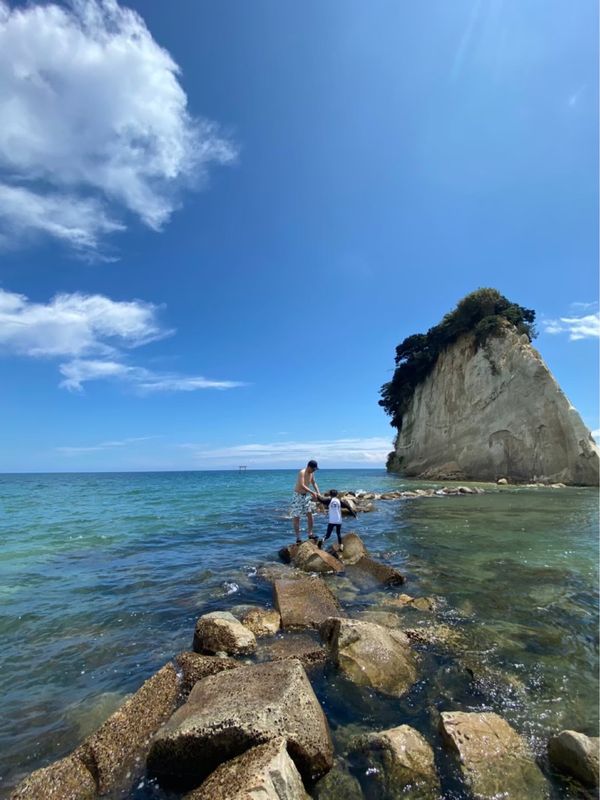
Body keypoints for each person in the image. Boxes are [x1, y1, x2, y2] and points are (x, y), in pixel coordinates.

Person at [290, 459, 320, 543]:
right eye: (313, 469)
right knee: (296, 517)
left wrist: (318, 492)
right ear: (309, 467)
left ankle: (310, 534)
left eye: (315, 469)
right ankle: (298, 538)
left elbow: (314, 483)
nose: (314, 470)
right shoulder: (302, 472)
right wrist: (312, 492)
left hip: (306, 496)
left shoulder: (312, 473)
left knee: (310, 515)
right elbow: (302, 485)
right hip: (297, 496)